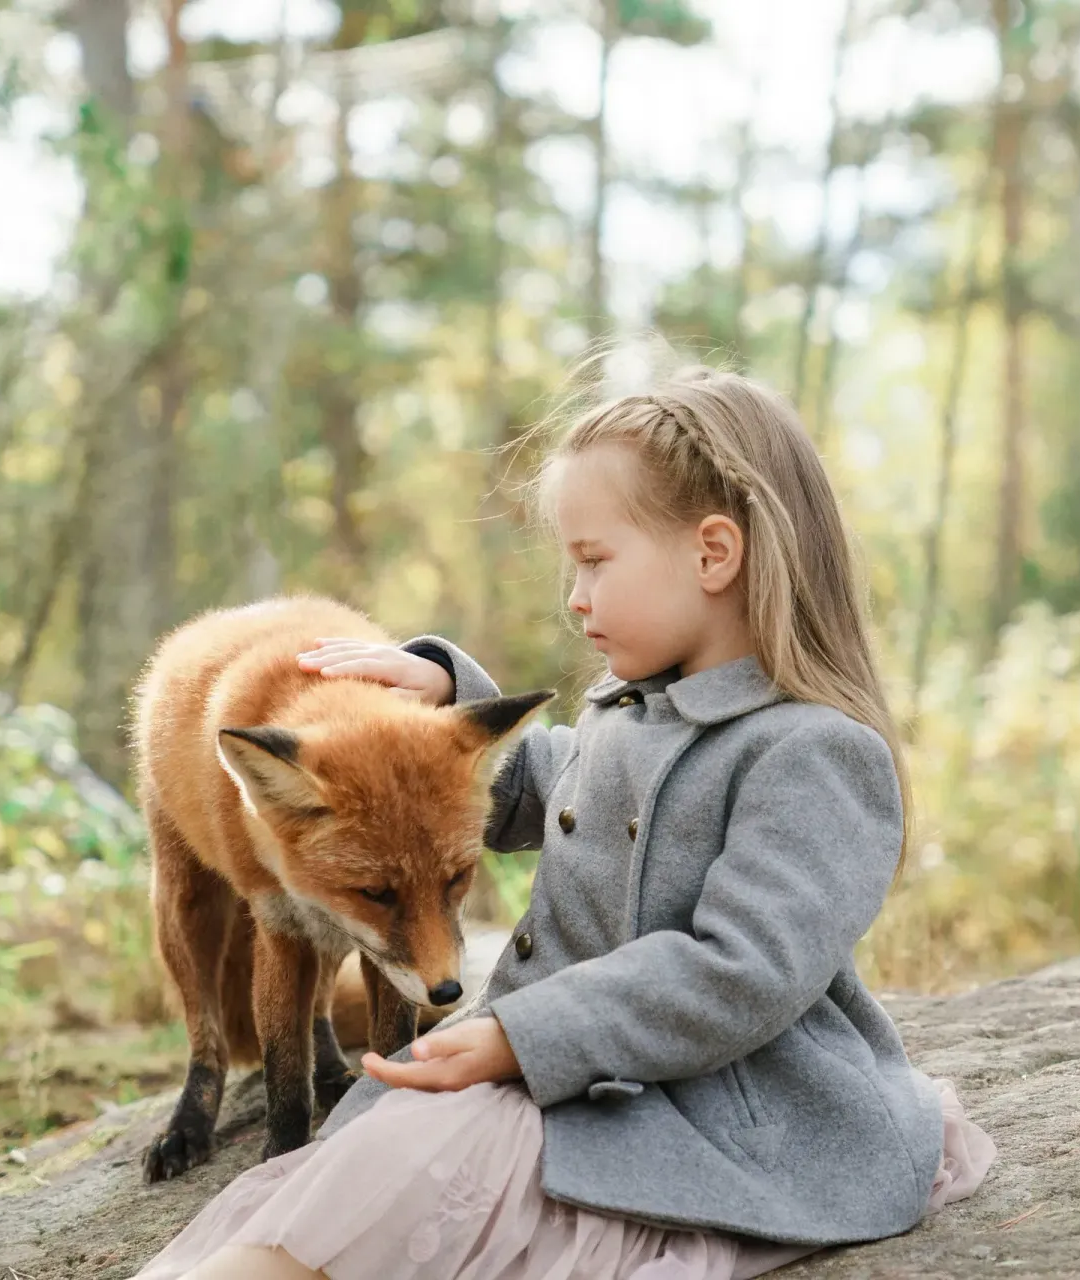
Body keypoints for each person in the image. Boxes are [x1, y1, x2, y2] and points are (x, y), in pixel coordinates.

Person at [131, 366, 995, 1280]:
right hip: (577, 1078)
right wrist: (437, 716)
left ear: (713, 554)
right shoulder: (633, 709)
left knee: (372, 1191)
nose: (574, 596)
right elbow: (538, 785)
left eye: (594, 561)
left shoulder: (814, 754)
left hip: (720, 1116)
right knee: (335, 1192)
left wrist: (519, 1038)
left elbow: (738, 973)